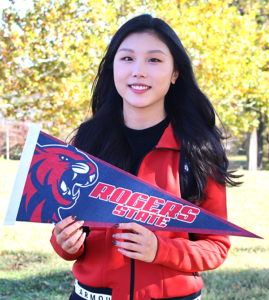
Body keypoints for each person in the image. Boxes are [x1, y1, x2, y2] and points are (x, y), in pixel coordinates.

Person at [50, 14, 240, 300]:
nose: (138, 71)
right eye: (127, 58)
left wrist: (159, 249)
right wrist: (65, 242)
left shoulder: (200, 149)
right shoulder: (86, 143)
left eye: (154, 60)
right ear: (113, 67)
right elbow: (66, 232)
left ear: (175, 73)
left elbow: (216, 246)